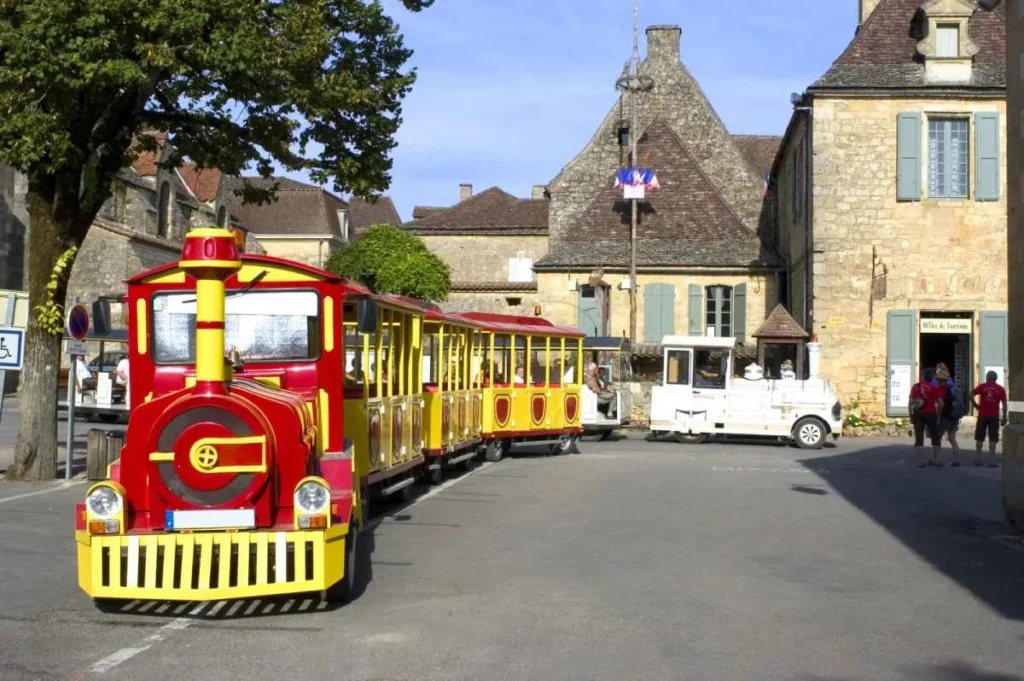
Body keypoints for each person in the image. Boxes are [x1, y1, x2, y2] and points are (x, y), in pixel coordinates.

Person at [971, 370, 1008, 467]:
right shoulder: (1000, 389)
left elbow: (971, 394)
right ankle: (992, 461)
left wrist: (976, 406)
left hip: (982, 415)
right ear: (996, 378)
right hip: (994, 416)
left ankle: (977, 459)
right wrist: (1004, 417)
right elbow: (1004, 404)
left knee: (979, 437)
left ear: (987, 377)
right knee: (993, 438)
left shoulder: (982, 386)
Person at [909, 368, 943, 467]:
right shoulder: (933, 387)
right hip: (931, 413)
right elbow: (940, 403)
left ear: (922, 376)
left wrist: (910, 415)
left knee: (919, 437)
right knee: (935, 436)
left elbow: (910, 402)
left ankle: (919, 461)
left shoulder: (915, 386)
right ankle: (936, 460)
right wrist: (938, 415)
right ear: (932, 377)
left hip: (917, 413)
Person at [931, 363, 962, 466]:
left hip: (945, 416)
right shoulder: (952, 388)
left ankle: (936, 459)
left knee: (938, 437)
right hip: (954, 416)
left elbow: (941, 404)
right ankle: (956, 459)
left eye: (937, 378)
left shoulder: (940, 390)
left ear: (940, 379)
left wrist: (938, 417)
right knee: (952, 438)